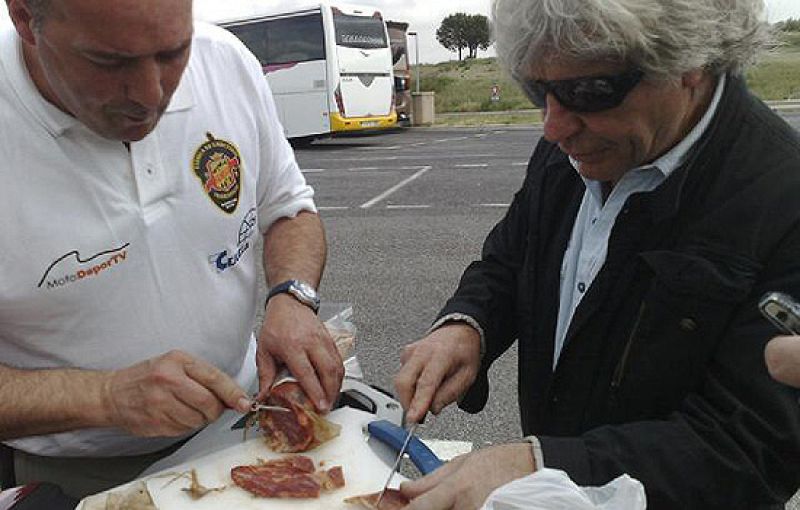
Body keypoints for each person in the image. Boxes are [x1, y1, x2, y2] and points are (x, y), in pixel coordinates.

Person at [394, 0, 800, 508]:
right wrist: (469, 323)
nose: (553, 127)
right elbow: (512, 253)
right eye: (536, 89)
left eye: (588, 91)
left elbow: (750, 446)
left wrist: (542, 463)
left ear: (689, 63)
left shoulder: (785, 197)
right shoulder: (577, 139)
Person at [0, 0, 344, 498]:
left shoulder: (225, 63)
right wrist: (104, 398)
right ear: (25, 18)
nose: (150, 95)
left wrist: (292, 295)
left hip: (247, 426)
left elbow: (289, 209)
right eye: (108, 62)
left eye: (171, 53)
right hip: (83, 477)